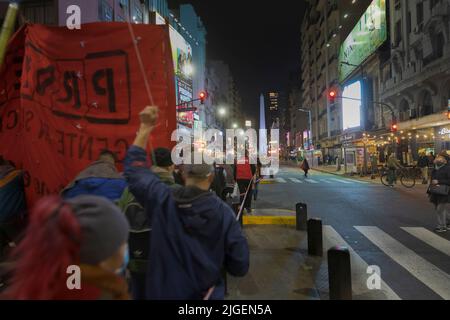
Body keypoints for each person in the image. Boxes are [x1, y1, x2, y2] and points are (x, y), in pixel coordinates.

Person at [124, 106, 249, 300]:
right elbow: (240, 265)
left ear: (182, 174)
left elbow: (134, 171)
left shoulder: (162, 199)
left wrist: (145, 128)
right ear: (210, 177)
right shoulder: (224, 214)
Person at [3, 195, 130, 300]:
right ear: (103, 258)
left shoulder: (42, 280)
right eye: (122, 243)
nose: (126, 248)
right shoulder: (102, 293)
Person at [118, 147, 176, 300]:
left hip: (136, 261)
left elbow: (120, 222)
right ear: (171, 167)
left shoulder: (129, 190)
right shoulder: (178, 192)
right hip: (168, 265)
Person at [61, 150, 127, 202]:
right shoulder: (121, 183)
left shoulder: (77, 180)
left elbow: (63, 197)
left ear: (98, 160)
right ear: (114, 163)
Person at [0, 157, 27, 262]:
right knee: (23, 244)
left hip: (4, 219)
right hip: (11, 218)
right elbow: (28, 175)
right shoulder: (14, 175)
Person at [428, 155, 450, 233]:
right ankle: (448, 222)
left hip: (444, 192)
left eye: (440, 158)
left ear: (444, 161)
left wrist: (439, 181)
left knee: (439, 209)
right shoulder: (435, 169)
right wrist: (429, 191)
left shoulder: (447, 168)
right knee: (439, 209)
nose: (438, 159)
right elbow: (432, 180)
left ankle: (442, 226)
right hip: (435, 192)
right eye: (437, 158)